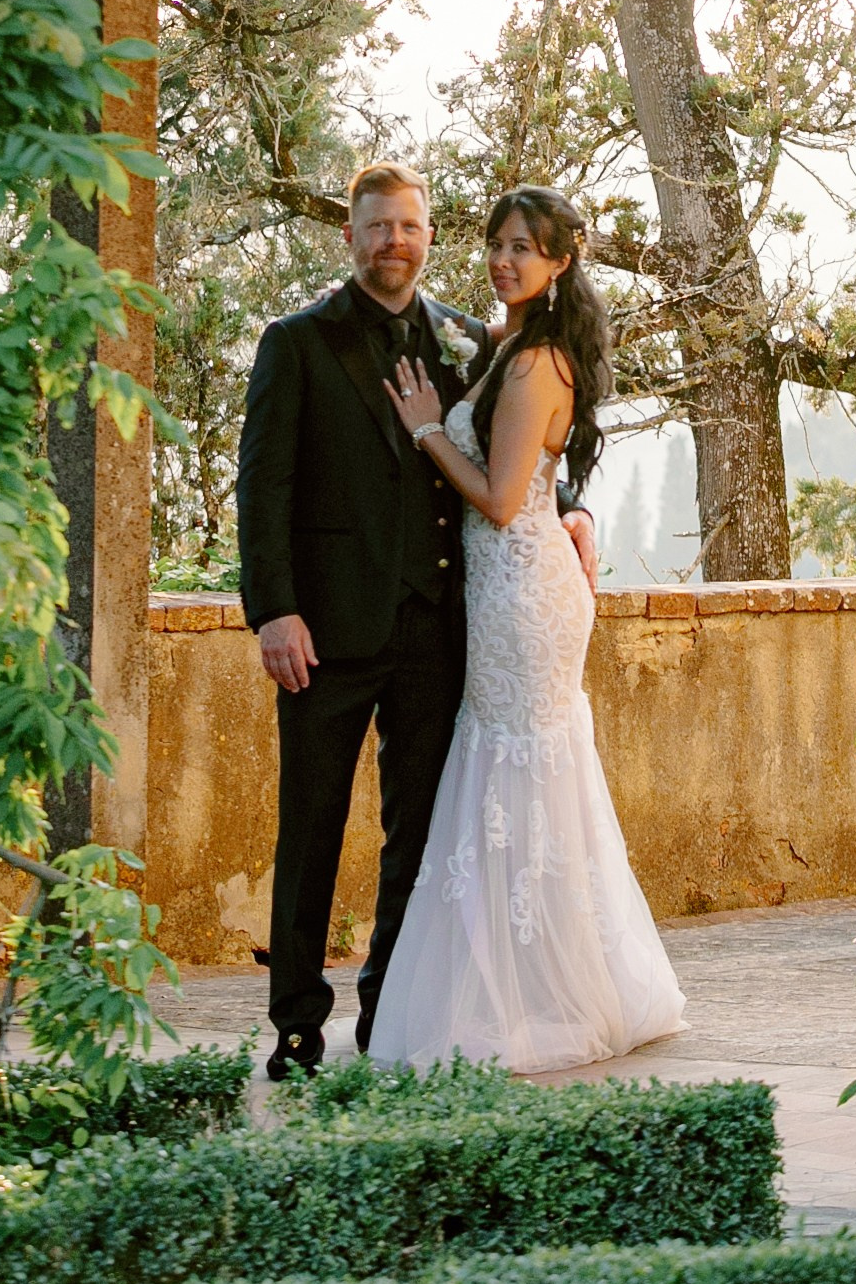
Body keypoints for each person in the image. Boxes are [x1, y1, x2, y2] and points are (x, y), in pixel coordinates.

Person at [234, 161, 600, 1077]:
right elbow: (262, 488)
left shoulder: (470, 341)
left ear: (427, 237)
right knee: (309, 827)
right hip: (323, 631)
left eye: (410, 227)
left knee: (420, 836)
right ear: (351, 235)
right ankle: (295, 1025)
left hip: (441, 633)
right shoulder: (297, 342)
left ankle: (387, 1017)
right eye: (377, 226)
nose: (395, 241)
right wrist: (273, 610)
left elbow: (541, 435)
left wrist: (576, 509)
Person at [365, 185, 685, 1073]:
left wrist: (429, 431)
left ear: (561, 260)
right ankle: (544, 972)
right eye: (498, 244)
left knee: (512, 765)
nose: (505, 260)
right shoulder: (514, 342)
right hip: (517, 587)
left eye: (525, 248)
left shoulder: (538, 359)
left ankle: (532, 987)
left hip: (518, 591)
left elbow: (504, 502)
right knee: (525, 768)